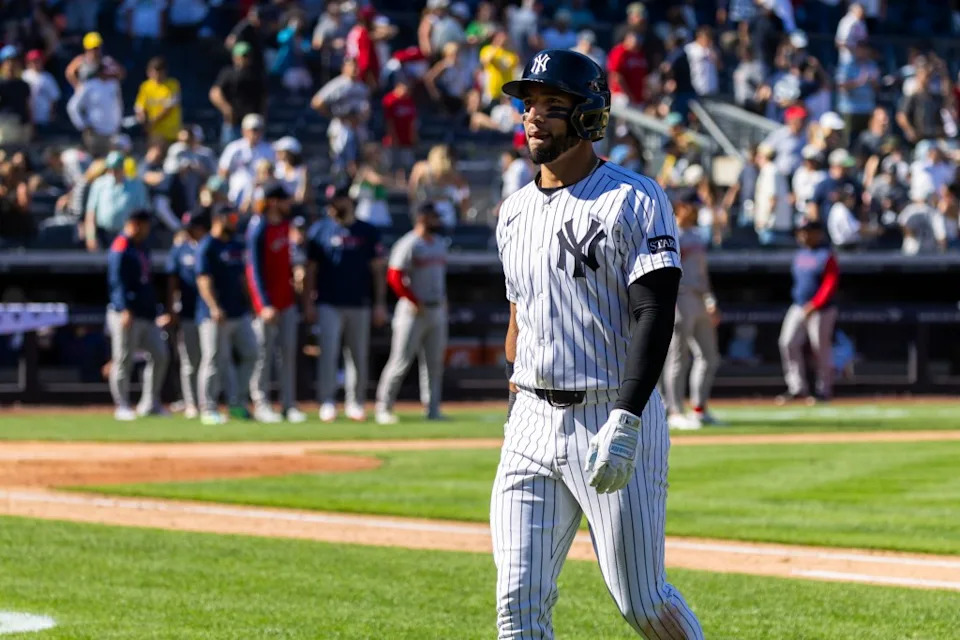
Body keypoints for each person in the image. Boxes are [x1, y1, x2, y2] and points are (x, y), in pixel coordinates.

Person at [492, 48, 703, 639]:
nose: (533, 117)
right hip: (531, 420)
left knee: (642, 602)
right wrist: (515, 404)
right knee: (516, 605)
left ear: (589, 116)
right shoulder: (512, 212)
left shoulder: (634, 198)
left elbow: (654, 311)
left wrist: (629, 417)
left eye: (552, 105)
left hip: (609, 410)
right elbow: (519, 319)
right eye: (528, 104)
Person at [305, 185, 388, 422]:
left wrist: (379, 302)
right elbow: (310, 270)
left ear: (348, 201)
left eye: (337, 202)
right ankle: (328, 400)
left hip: (359, 301)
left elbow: (377, 270)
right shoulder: (319, 230)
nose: (333, 207)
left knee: (357, 355)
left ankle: (356, 402)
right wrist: (309, 303)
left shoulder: (367, 231)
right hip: (328, 301)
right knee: (328, 353)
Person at [374, 202, 449, 425]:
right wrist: (413, 300)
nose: (438, 221)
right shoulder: (409, 243)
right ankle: (383, 407)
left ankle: (433, 408)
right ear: (423, 218)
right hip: (412, 311)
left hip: (436, 308)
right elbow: (394, 276)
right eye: (434, 217)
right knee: (400, 361)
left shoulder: (439, 243)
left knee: (434, 363)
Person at [245, 183, 307, 424]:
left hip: (287, 301)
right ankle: (261, 403)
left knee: (288, 354)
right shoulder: (258, 228)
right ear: (273, 201)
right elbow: (255, 271)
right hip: (268, 305)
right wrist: (263, 303)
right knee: (263, 356)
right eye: (283, 200)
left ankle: (289, 404)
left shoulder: (285, 226)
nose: (288, 204)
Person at [195, 204, 259, 425]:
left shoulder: (235, 244)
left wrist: (251, 304)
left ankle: (237, 402)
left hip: (237, 311)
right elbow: (203, 280)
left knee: (251, 352)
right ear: (219, 219)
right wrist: (213, 306)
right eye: (230, 217)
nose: (234, 221)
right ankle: (208, 408)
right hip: (214, 315)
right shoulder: (208, 246)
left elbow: (242, 278)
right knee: (213, 359)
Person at [663, 197, 721, 430]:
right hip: (680, 296)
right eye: (686, 205)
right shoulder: (669, 232)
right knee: (678, 356)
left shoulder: (697, 236)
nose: (691, 210)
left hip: (699, 297)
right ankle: (674, 409)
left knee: (709, 356)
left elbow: (703, 272)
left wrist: (710, 299)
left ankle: (700, 408)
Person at [106, 209, 170, 421]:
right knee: (123, 359)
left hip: (146, 314)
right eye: (145, 225)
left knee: (160, 355)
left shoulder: (141, 247)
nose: (147, 229)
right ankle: (122, 404)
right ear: (135, 224)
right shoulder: (121, 246)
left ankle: (149, 403)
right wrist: (124, 308)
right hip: (127, 313)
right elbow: (117, 282)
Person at [777, 218, 839, 405]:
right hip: (798, 305)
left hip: (822, 309)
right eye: (801, 231)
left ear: (817, 233)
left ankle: (823, 390)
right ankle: (796, 388)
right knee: (787, 342)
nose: (803, 235)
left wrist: (815, 304)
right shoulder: (800, 254)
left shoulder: (826, 255)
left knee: (820, 349)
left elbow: (830, 283)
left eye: (807, 231)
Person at [166, 211, 207, 419]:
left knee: (211, 361)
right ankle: (191, 403)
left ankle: (208, 402)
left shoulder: (209, 246)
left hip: (209, 314)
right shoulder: (180, 250)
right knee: (190, 361)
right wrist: (172, 308)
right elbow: (172, 282)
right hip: (189, 312)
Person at [84, 151, 150, 251]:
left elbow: (142, 214)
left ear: (123, 168)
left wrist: (138, 237)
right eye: (111, 168)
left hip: (127, 235)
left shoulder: (136, 185)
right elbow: (90, 213)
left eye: (117, 168)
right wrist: (91, 237)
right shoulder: (99, 184)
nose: (113, 172)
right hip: (103, 235)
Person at [209, 42, 267, 146]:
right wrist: (226, 109)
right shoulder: (228, 72)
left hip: (253, 124)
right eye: (242, 55)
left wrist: (262, 117)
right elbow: (215, 93)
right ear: (235, 56)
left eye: (247, 55)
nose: (245, 58)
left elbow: (263, 98)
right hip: (233, 123)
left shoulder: (257, 74)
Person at [218, 113, 275, 209]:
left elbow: (274, 172)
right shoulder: (234, 148)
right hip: (237, 194)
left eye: (258, 129)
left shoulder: (269, 149)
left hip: (261, 196)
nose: (256, 133)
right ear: (244, 131)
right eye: (253, 129)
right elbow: (223, 171)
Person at [66, 63, 123, 156]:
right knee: (96, 163)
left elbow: (118, 106)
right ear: (100, 72)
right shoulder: (88, 85)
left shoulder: (114, 85)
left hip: (112, 133)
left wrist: (118, 124)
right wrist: (83, 125)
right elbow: (72, 106)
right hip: (95, 134)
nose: (110, 75)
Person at [134, 57, 182, 144]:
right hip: (153, 133)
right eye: (154, 72)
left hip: (171, 132)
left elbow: (168, 108)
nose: (157, 76)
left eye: (160, 73)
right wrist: (142, 118)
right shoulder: (145, 86)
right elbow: (140, 106)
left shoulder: (173, 84)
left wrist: (151, 123)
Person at [22, 50, 60, 130]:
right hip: (27, 117)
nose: (35, 63)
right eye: (33, 61)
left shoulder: (48, 77)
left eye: (38, 61)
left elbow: (54, 98)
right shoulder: (24, 75)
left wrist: (52, 114)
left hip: (43, 116)